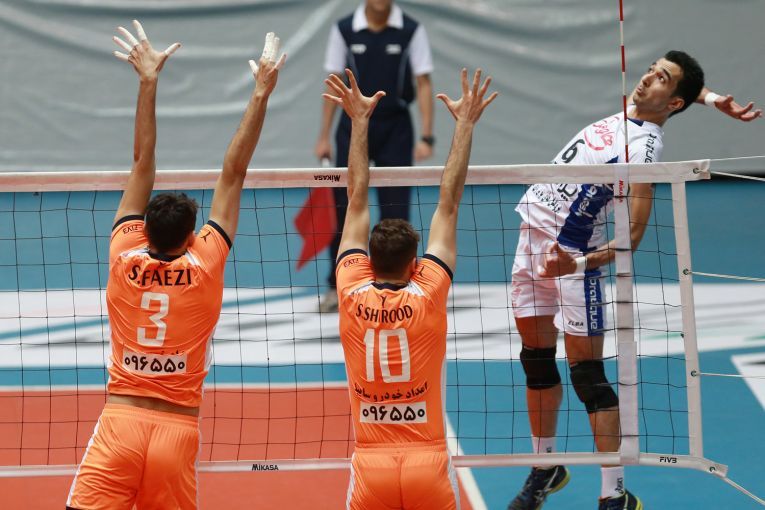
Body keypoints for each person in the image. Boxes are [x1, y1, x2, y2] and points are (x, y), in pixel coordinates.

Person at [508, 50, 762, 510]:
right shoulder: (634, 108)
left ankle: (614, 495)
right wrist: (713, 98)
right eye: (651, 69)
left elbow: (632, 240)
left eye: (660, 78)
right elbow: (684, 87)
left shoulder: (643, 150)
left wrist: (576, 266)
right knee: (537, 363)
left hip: (573, 257)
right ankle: (545, 467)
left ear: (673, 103)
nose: (646, 78)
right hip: (531, 238)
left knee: (588, 376)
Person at [66, 23, 285, 509]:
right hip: (177, 429)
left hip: (120, 425)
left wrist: (148, 81)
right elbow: (234, 172)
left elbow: (142, 161)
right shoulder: (206, 260)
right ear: (191, 237)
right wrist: (261, 92)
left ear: (144, 229)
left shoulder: (125, 251)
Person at [326, 66, 496, 509]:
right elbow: (448, 203)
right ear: (416, 265)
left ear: (367, 262)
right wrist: (464, 124)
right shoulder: (429, 290)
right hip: (428, 462)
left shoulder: (349, 286)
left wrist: (357, 122)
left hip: (372, 465)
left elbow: (356, 200)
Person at [315, 0, 435, 312]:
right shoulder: (344, 29)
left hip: (396, 127)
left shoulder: (410, 30)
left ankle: (400, 282)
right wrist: (324, 136)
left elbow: (423, 82)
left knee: (396, 211)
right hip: (353, 124)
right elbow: (334, 82)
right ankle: (337, 286)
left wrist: (426, 136)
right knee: (344, 208)